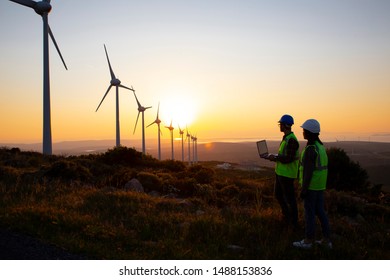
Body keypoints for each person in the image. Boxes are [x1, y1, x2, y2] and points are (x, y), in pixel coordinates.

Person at [293, 119, 332, 249]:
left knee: (309, 213)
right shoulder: (320, 147)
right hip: (320, 186)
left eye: (304, 130)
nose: (303, 132)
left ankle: (308, 241)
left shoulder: (311, 149)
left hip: (311, 187)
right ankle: (327, 240)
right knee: (320, 212)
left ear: (309, 132)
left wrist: (303, 189)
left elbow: (308, 172)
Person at [266, 114, 299, 227]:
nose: (279, 126)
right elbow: (283, 156)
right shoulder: (286, 138)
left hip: (287, 175)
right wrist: (274, 157)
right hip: (280, 173)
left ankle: (294, 223)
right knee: (278, 195)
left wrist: (274, 157)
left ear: (285, 125)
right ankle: (287, 216)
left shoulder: (292, 140)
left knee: (290, 200)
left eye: (280, 124)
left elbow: (288, 159)